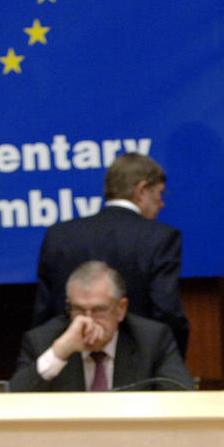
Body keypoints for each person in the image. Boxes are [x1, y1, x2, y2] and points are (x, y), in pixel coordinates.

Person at [32, 152, 190, 356]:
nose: (162, 204)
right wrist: (169, 361)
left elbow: (44, 314)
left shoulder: (59, 235)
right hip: (139, 364)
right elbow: (167, 311)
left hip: (71, 361)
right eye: (160, 193)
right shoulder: (160, 238)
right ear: (142, 190)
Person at [11, 261, 194, 392]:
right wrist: (59, 352)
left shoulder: (152, 339)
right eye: (79, 310)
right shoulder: (43, 340)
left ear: (121, 309)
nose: (87, 321)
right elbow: (11, 402)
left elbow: (184, 395)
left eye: (99, 310)